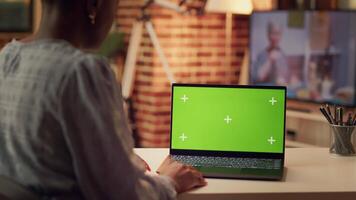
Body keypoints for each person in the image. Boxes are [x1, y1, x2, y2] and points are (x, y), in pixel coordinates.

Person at [0, 0, 206, 199]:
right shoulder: (81, 71)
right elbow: (123, 195)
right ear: (94, 4)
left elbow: (44, 155)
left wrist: (116, 158)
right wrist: (169, 181)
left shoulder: (7, 58)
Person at [253, 21, 288, 86]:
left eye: (278, 33)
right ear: (268, 34)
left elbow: (285, 77)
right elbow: (258, 78)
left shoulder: (283, 54)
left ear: (281, 35)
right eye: (273, 33)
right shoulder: (261, 55)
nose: (275, 37)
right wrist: (270, 60)